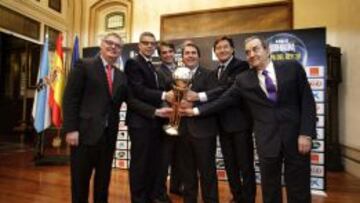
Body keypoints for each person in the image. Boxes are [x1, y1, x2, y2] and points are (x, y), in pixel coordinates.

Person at [182, 36, 316, 203]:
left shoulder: (292, 68)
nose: (251, 54)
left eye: (256, 49)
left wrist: (306, 133)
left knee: (299, 186)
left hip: (296, 138)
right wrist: (195, 111)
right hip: (266, 140)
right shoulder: (244, 79)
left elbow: (308, 101)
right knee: (270, 187)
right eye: (247, 52)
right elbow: (224, 100)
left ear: (267, 50)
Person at [63, 32, 171, 203]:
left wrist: (156, 112)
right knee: (80, 182)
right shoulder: (84, 65)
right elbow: (70, 99)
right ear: (101, 44)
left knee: (103, 182)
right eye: (109, 43)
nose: (113, 47)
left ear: (121, 50)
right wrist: (71, 129)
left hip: (108, 136)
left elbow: (132, 101)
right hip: (83, 135)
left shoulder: (121, 75)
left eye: (118, 45)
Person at [186, 36, 256, 203]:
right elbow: (218, 93)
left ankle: (248, 199)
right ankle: (237, 197)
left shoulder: (241, 66)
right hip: (222, 126)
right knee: (230, 165)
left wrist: (199, 98)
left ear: (233, 49)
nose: (222, 50)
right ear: (214, 52)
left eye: (226, 47)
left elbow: (227, 91)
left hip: (239, 126)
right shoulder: (217, 70)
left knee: (245, 166)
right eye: (219, 48)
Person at [124, 32, 173, 203]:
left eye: (153, 43)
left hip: (153, 122)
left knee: (151, 163)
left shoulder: (151, 65)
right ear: (139, 45)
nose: (150, 46)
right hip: (140, 123)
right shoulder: (133, 63)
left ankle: (149, 197)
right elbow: (138, 91)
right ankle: (138, 199)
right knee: (139, 164)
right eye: (146, 43)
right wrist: (165, 96)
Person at [178, 43, 219, 203]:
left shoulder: (209, 75)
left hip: (204, 131)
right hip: (183, 130)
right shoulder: (177, 76)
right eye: (187, 53)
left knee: (207, 171)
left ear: (199, 56)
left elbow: (215, 100)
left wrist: (193, 106)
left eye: (193, 52)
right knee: (187, 171)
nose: (190, 55)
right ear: (182, 57)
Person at [154, 41, 184, 199]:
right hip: (167, 119)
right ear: (160, 56)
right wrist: (170, 111)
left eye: (169, 52)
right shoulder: (157, 71)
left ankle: (176, 186)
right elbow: (159, 94)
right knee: (164, 158)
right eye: (164, 53)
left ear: (174, 53)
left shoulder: (182, 70)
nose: (167, 55)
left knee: (179, 156)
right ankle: (160, 192)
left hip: (184, 119)